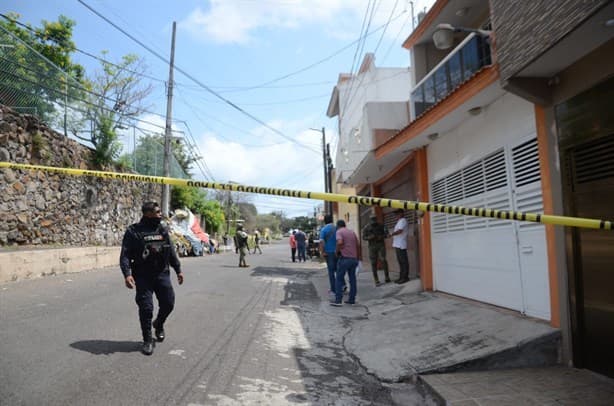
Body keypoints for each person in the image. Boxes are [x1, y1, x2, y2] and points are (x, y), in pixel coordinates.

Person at [120, 201, 184, 356]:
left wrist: (178, 269)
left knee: (168, 303)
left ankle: (159, 323)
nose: (160, 214)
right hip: (142, 275)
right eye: (157, 212)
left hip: (162, 273)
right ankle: (147, 340)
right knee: (146, 308)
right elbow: (125, 255)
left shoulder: (162, 229)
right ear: (147, 213)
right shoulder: (133, 231)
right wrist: (127, 274)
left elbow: (171, 251)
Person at [331, 219, 360, 306]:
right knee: (352, 279)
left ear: (338, 226)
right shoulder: (352, 232)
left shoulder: (339, 232)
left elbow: (339, 242)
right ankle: (352, 300)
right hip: (353, 259)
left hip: (344, 259)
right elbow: (358, 245)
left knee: (339, 279)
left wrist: (336, 252)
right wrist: (358, 257)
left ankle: (338, 300)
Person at [362, 214, 391, 286]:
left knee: (383, 259)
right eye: (372, 220)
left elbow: (387, 234)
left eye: (375, 219)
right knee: (373, 262)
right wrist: (370, 237)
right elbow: (364, 237)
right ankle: (376, 279)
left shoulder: (381, 226)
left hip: (380, 244)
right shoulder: (367, 227)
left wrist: (381, 236)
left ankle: (387, 277)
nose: (374, 221)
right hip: (372, 246)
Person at [390, 208, 410, 284]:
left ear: (401, 213)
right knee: (400, 262)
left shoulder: (403, 220)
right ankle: (401, 277)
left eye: (397, 214)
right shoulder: (399, 221)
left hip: (401, 244)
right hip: (397, 244)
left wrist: (392, 234)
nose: (396, 215)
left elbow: (400, 231)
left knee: (403, 261)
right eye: (396, 214)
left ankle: (405, 277)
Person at [319, 214, 337, 295]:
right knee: (338, 270)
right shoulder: (336, 228)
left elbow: (322, 242)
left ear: (324, 221)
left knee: (331, 271)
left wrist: (322, 252)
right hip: (338, 252)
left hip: (329, 253)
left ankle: (333, 289)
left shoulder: (324, 229)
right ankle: (343, 285)